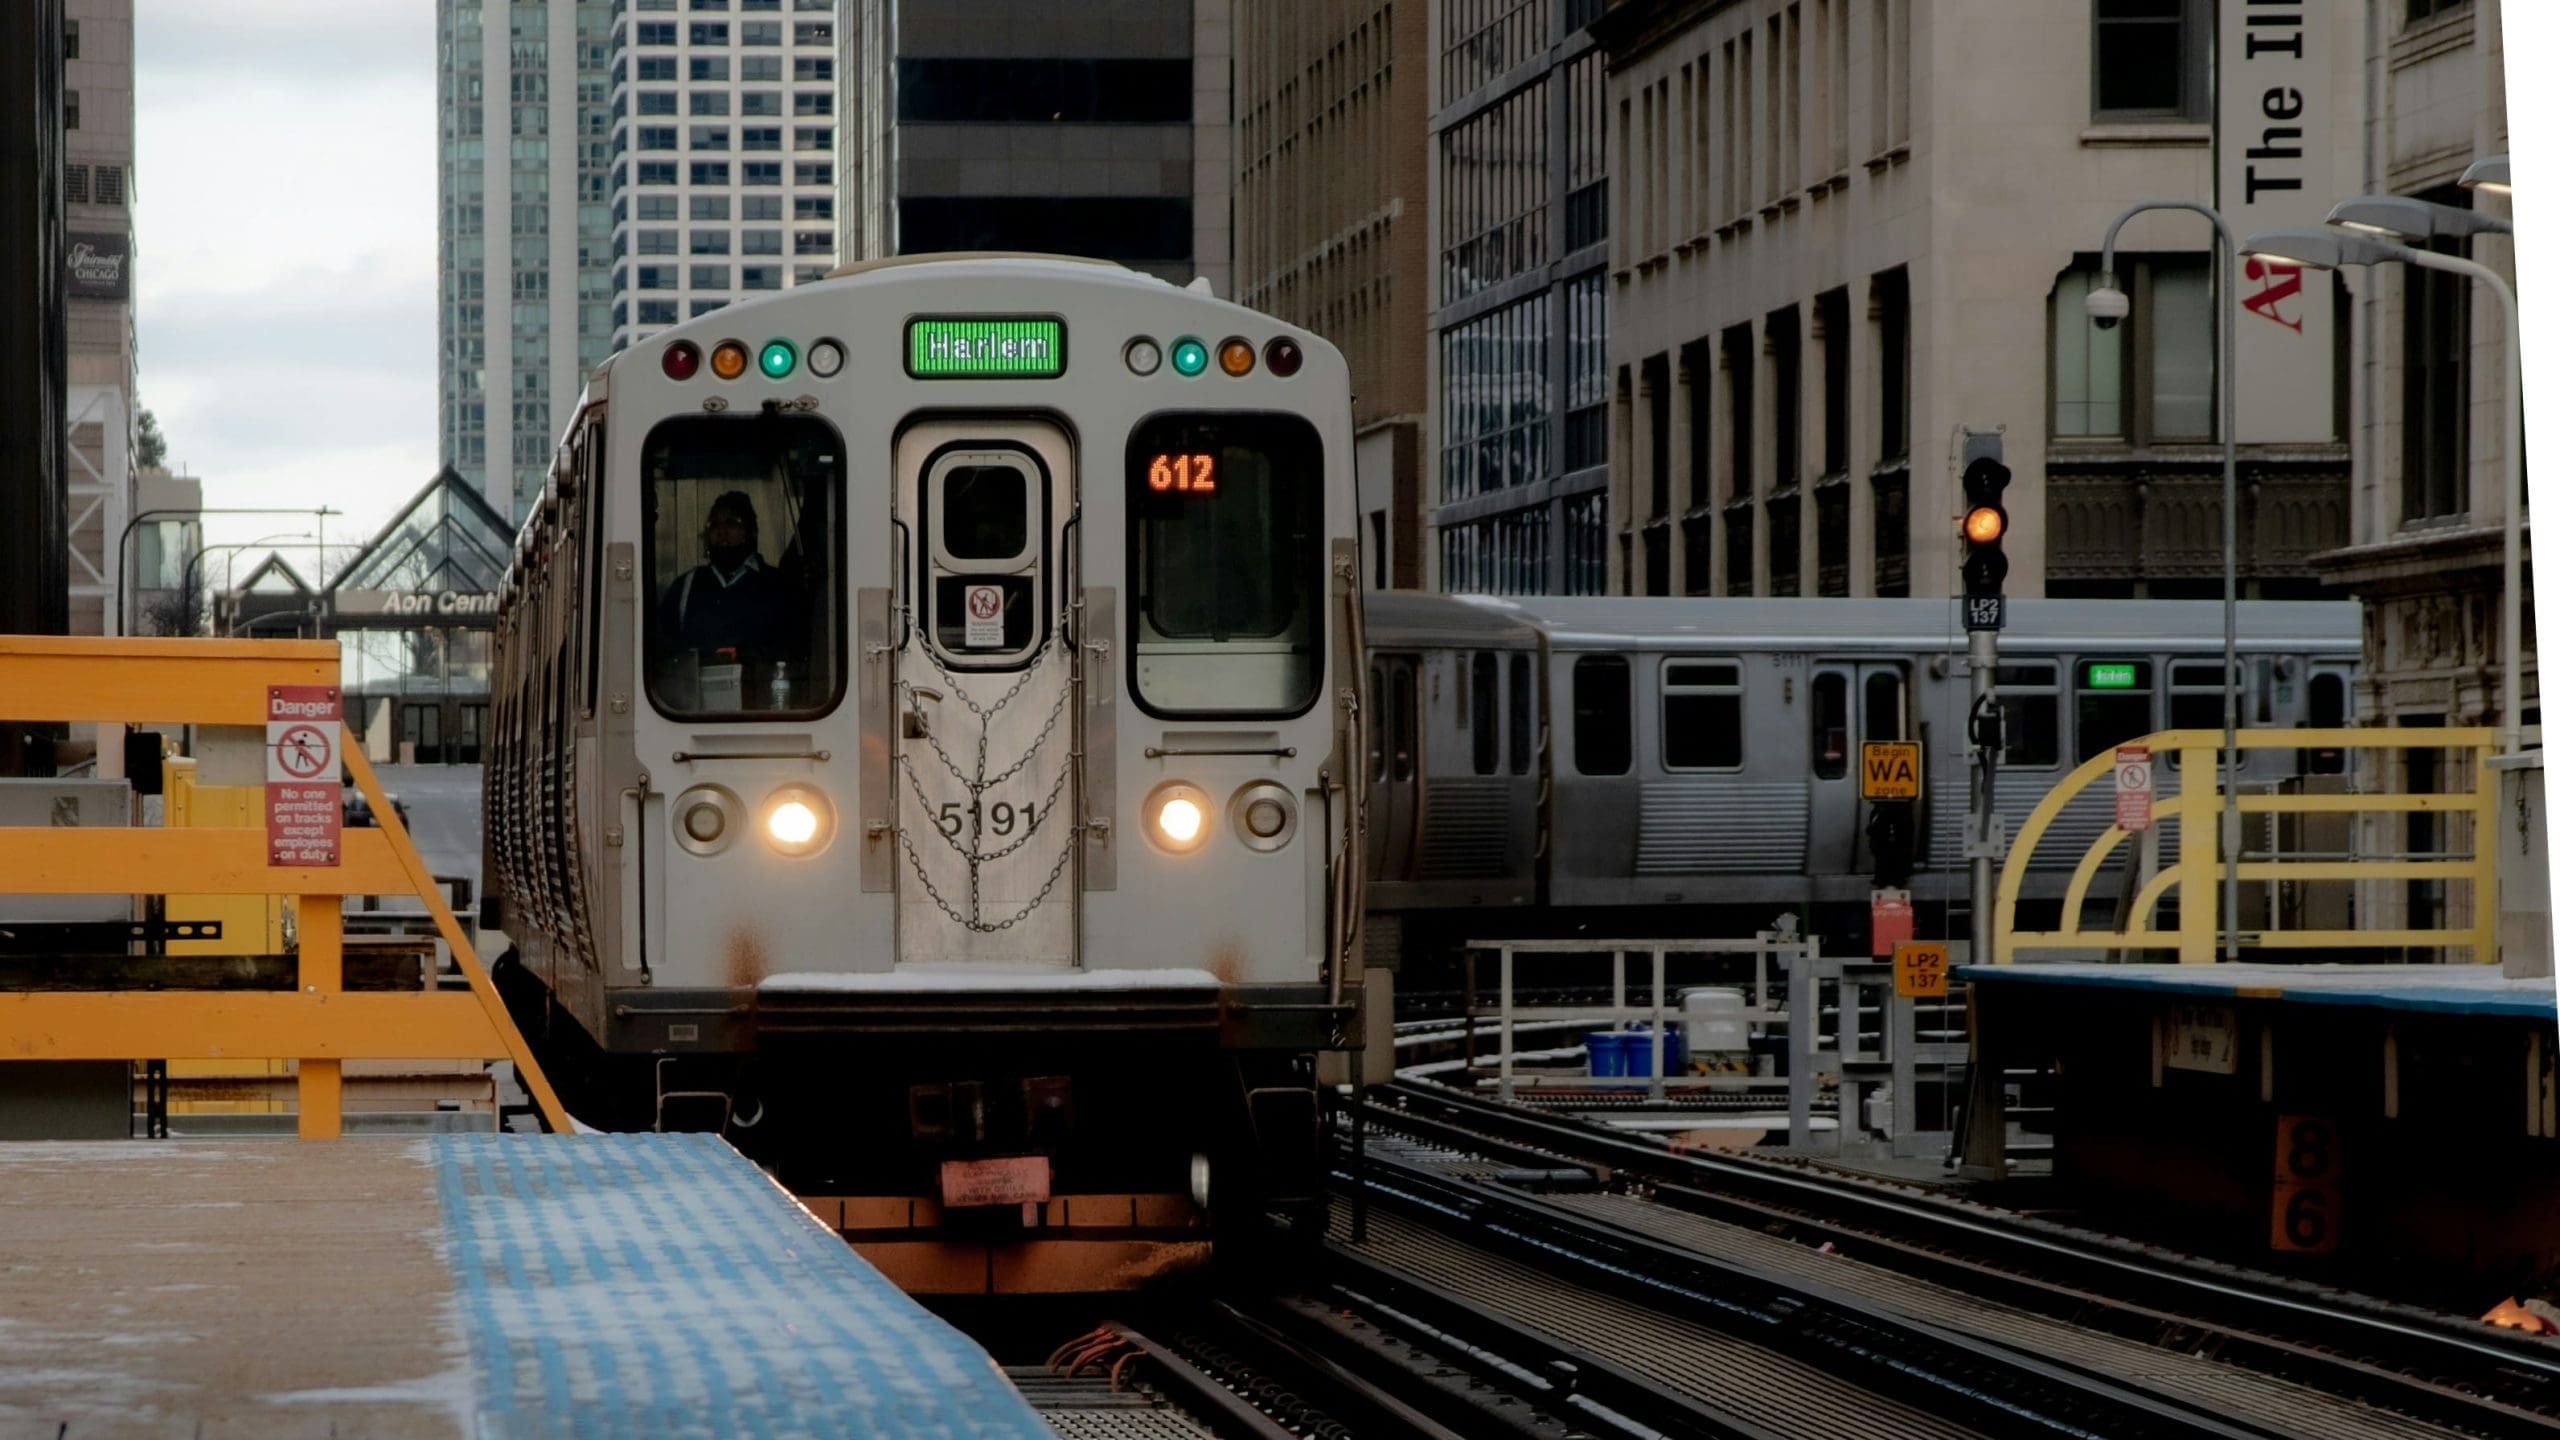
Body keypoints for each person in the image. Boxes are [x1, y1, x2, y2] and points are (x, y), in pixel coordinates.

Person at [657, 490, 795, 677]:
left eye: (732, 523)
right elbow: (663, 648)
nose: (722, 531)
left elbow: (790, 648)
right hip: (696, 700)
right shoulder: (686, 586)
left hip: (759, 698)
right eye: (714, 525)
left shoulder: (777, 584)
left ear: (750, 531)